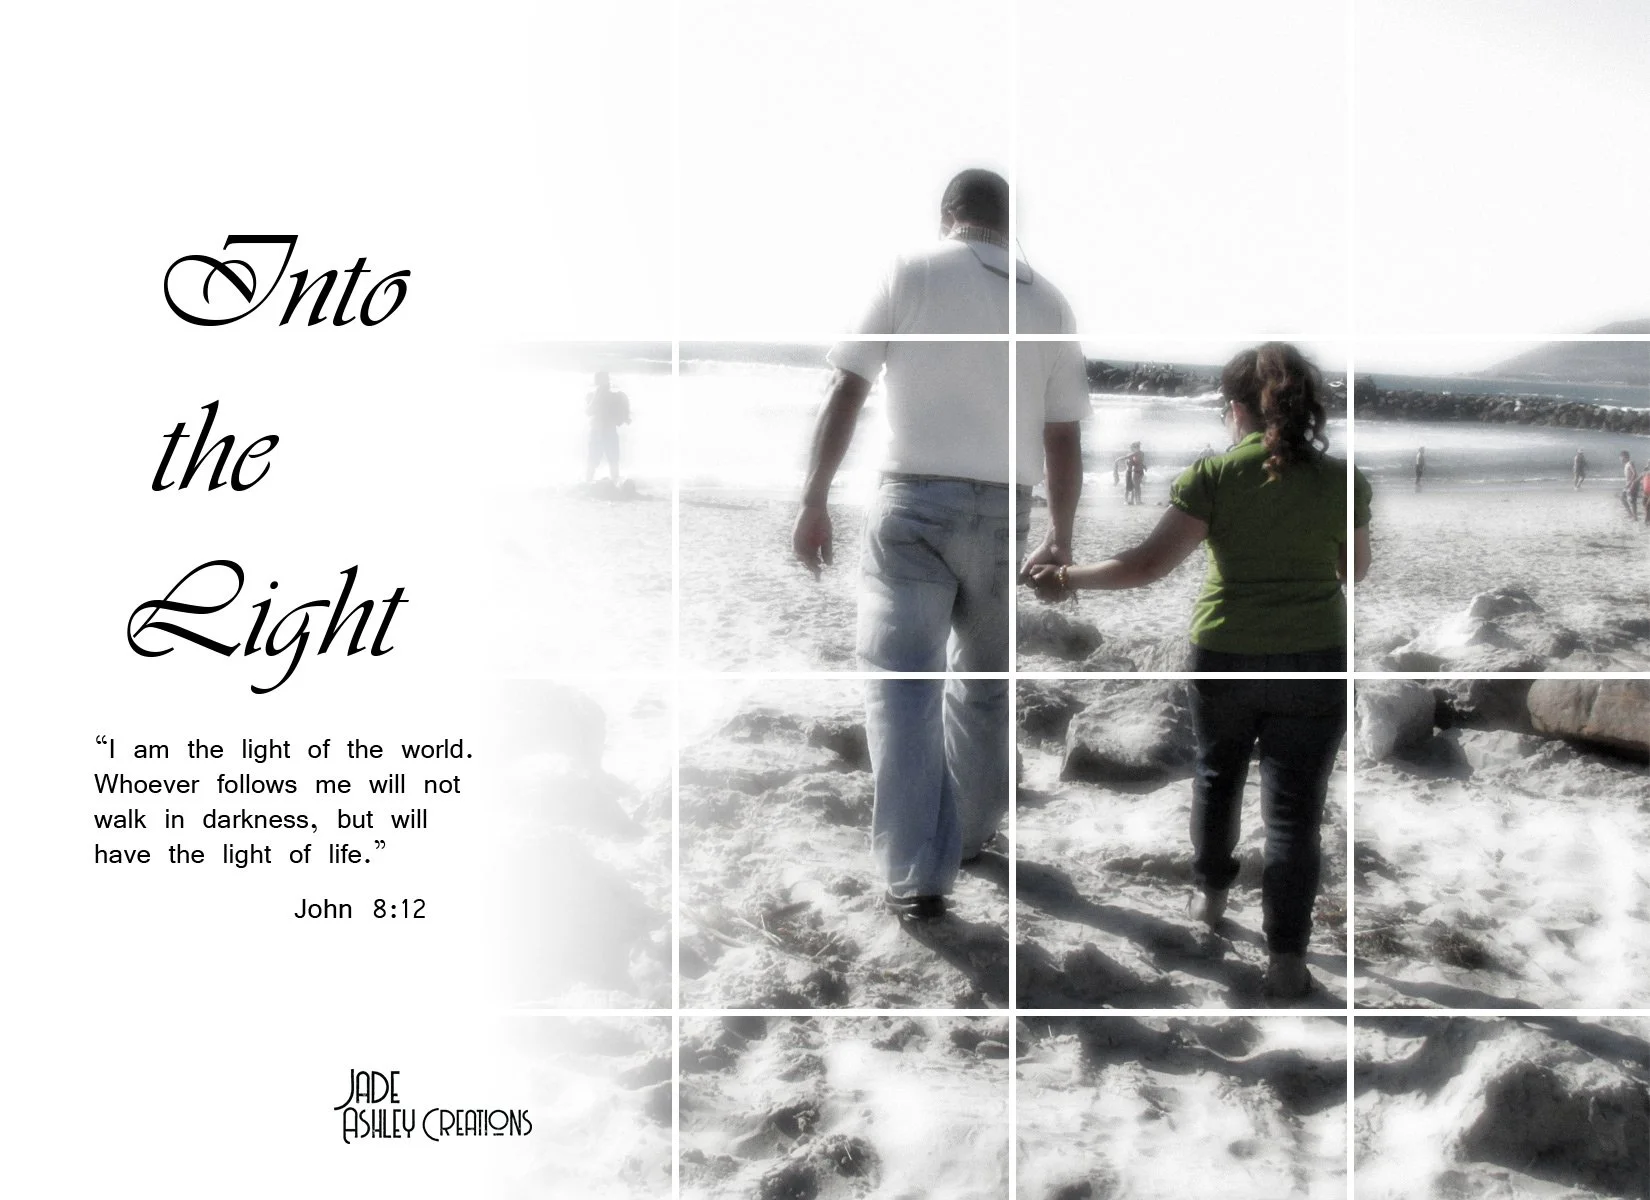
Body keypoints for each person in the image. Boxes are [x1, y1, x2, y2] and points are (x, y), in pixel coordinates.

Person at [1026, 343, 1370, 1000]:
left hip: (1227, 653)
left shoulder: (1213, 476)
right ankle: (1288, 964)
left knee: (1218, 779)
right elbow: (1352, 572)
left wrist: (1066, 577)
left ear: (1234, 409)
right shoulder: (1344, 481)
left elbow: (1146, 566)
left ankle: (1211, 900)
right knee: (1296, 814)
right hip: (1317, 658)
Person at [792, 168, 1088, 921]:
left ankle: (919, 874)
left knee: (902, 688)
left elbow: (848, 389)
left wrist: (814, 497)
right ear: (1005, 219)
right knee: (984, 684)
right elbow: (1062, 435)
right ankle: (977, 834)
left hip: (914, 503)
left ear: (948, 214)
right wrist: (1060, 533)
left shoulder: (911, 271)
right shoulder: (1050, 300)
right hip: (1003, 511)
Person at [583, 371, 630, 484]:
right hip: (600, 431)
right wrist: (598, 393)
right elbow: (589, 411)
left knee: (610, 460)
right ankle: (591, 483)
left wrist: (599, 394)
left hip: (604, 431)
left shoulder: (614, 397)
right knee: (596, 461)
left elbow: (589, 411)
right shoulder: (592, 396)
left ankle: (612, 484)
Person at [1621, 451, 1641, 520]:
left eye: (1621, 457)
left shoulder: (1630, 463)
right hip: (1629, 484)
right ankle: (1631, 514)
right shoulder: (1627, 464)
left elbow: (1634, 474)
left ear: (1625, 457)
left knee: (1633, 500)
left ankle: (1635, 517)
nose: (1620, 459)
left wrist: (1630, 484)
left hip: (1633, 483)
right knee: (1622, 498)